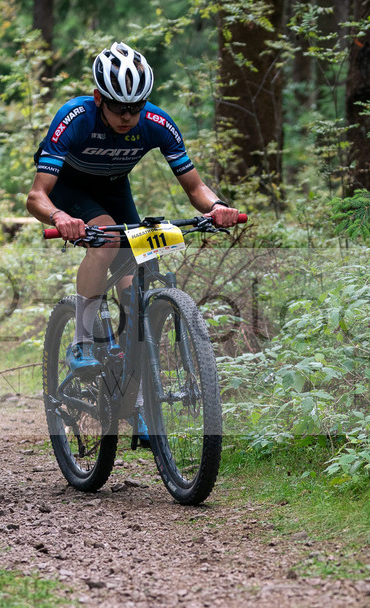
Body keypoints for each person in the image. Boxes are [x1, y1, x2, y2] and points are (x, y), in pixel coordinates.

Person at [26, 41, 241, 373]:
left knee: (138, 277)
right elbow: (37, 195)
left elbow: (195, 187)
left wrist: (217, 207)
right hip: (69, 187)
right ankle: (81, 342)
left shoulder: (156, 123)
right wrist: (60, 216)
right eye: (118, 108)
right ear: (99, 98)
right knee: (107, 242)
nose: (127, 116)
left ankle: (134, 391)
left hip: (114, 189)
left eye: (135, 107)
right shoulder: (75, 118)